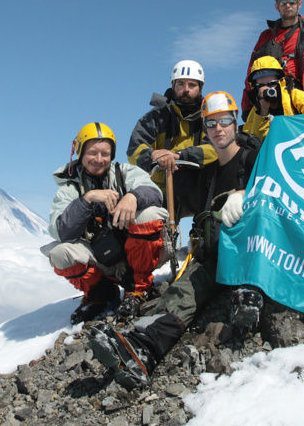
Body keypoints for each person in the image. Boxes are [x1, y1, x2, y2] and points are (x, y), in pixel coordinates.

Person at [88, 92, 262, 389]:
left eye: (224, 121)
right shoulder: (205, 173)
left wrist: (248, 195)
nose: (218, 129)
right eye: (211, 124)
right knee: (182, 294)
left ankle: (249, 295)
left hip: (252, 252)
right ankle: (144, 350)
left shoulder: (254, 157)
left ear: (236, 123)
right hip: (213, 255)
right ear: (204, 129)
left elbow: (282, 191)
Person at [42, 122, 169, 324]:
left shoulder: (124, 173)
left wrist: (133, 197)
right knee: (59, 253)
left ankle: (138, 290)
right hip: (100, 260)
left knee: (150, 215)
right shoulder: (70, 189)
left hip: (137, 255)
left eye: (105, 154)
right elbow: (61, 230)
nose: (99, 160)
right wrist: (88, 199)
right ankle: (101, 294)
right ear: (80, 153)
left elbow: (154, 192)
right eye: (92, 153)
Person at [127, 60, 218, 220]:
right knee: (145, 220)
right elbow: (134, 149)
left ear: (201, 88)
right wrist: (153, 155)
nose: (186, 90)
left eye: (192, 85)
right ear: (173, 85)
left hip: (199, 187)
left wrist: (179, 156)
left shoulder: (209, 117)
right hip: (161, 188)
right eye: (181, 84)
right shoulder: (156, 117)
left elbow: (216, 148)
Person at [240, 0, 304, 119]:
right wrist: (247, 106)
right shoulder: (266, 36)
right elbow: (252, 71)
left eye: (292, 2)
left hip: (300, 100)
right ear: (276, 6)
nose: (287, 6)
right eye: (283, 2)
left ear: (299, 4)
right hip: (269, 98)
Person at [242, 56, 304, 140]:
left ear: (280, 81)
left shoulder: (295, 96)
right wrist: (263, 112)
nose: (267, 89)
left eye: (271, 84)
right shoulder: (255, 112)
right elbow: (254, 142)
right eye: (261, 86)